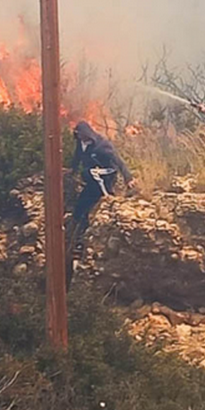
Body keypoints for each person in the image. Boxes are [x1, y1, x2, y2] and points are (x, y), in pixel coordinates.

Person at [66, 121, 136, 286]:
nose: (79, 137)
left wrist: (128, 178)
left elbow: (117, 161)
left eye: (81, 135)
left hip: (104, 177)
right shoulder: (81, 143)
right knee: (79, 208)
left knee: (94, 197)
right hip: (91, 181)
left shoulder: (102, 146)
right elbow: (77, 156)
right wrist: (72, 170)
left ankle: (106, 200)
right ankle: (78, 234)